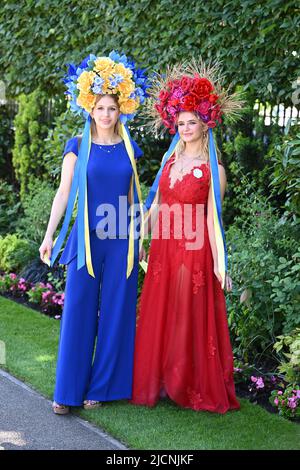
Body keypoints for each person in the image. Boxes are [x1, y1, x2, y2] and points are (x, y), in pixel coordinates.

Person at [39, 51, 149, 414]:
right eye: (100, 107)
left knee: (116, 312)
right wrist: (49, 234)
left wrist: (141, 241)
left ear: (120, 112)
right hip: (86, 239)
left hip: (122, 242)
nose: (105, 114)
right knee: (79, 311)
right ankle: (67, 393)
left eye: (111, 109)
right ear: (90, 108)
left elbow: (135, 197)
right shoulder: (77, 147)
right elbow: (63, 193)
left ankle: (101, 388)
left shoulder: (130, 148)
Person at [131, 59, 243, 413]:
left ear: (205, 125)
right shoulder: (168, 163)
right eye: (180, 123)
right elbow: (156, 203)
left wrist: (220, 263)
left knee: (188, 314)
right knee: (163, 311)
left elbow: (214, 218)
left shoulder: (216, 170)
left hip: (195, 248)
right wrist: (139, 237)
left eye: (191, 122)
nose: (185, 129)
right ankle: (163, 380)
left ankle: (188, 383)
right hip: (165, 245)